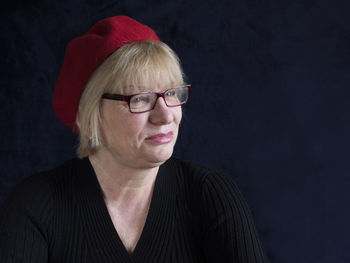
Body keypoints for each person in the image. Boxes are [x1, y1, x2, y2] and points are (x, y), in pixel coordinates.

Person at [0, 16, 268, 262]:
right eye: (140, 98)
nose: (165, 116)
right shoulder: (36, 205)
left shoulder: (211, 195)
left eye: (172, 94)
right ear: (91, 113)